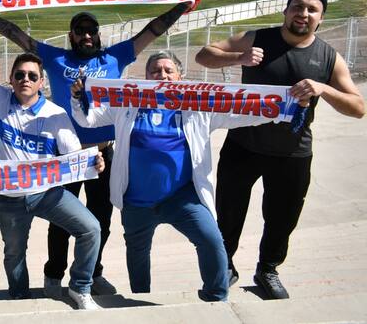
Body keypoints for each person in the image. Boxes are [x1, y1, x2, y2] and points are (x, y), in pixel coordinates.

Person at [0, 0, 202, 296]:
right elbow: (16, 34)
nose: (86, 35)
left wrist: (182, 6)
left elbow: (153, 30)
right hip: (65, 156)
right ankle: (53, 274)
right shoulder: (55, 58)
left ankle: (93, 272)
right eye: (80, 31)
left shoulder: (117, 56)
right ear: (71, 36)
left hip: (105, 154)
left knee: (100, 221)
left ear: (98, 34)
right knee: (60, 219)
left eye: (91, 30)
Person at [70, 50, 311, 302]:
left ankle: (216, 297)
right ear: (145, 76)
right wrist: (78, 96)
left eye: (168, 70)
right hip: (136, 200)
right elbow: (88, 119)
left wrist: (289, 103)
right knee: (138, 251)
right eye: (154, 71)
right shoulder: (127, 102)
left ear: (180, 76)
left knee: (211, 241)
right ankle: (140, 300)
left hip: (183, 197)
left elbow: (245, 110)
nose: (161, 75)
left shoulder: (200, 104)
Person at [195, 0, 365, 299]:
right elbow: (203, 55)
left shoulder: (328, 57)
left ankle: (268, 269)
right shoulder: (256, 39)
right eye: (298, 7)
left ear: (321, 19)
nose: (304, 14)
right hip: (243, 145)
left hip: (292, 152)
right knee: (228, 213)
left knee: (282, 217)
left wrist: (323, 89)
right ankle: (225, 266)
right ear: (285, 11)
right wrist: (239, 57)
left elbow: (358, 108)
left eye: (312, 10)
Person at [0, 27, 105, 310]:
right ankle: (18, 297)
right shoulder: (0, 100)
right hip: (10, 197)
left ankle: (80, 287)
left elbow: (73, 154)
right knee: (14, 253)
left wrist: (94, 161)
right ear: (11, 79)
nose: (25, 79)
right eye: (19, 75)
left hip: (47, 193)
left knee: (91, 229)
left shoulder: (56, 114)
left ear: (42, 82)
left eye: (31, 76)